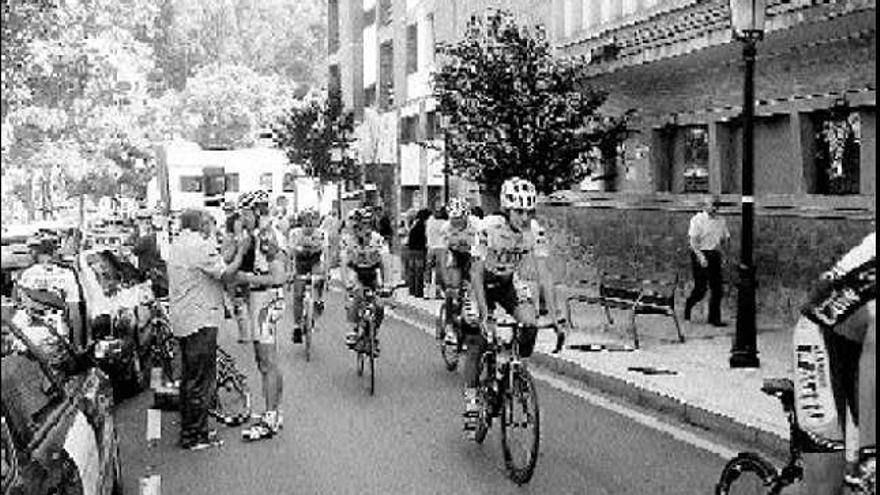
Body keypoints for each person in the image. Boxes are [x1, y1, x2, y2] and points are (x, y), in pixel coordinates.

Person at [462, 178, 560, 437]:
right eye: (519, 211)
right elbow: (474, 273)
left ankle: (512, 370)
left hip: (507, 283)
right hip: (481, 284)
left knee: (529, 323)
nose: (525, 217)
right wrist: (485, 315)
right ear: (507, 209)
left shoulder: (534, 231)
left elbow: (545, 274)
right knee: (478, 340)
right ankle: (472, 399)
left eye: (530, 212)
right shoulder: (488, 228)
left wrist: (556, 315)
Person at [795, 232, 875, 494]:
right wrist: (869, 451)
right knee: (826, 484)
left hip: (858, 341)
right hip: (819, 339)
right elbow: (872, 363)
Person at [168, 209, 244, 450]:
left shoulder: (180, 243)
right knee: (201, 380)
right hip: (200, 319)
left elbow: (216, 261)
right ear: (201, 225)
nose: (213, 227)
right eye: (210, 223)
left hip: (185, 319)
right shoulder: (199, 247)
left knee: (190, 379)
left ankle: (191, 429)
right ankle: (195, 435)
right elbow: (225, 273)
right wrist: (242, 250)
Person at [235, 191, 287, 440]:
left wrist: (247, 278)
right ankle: (273, 411)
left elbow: (278, 277)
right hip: (261, 299)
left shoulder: (267, 237)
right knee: (265, 361)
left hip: (265, 300)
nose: (242, 219)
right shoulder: (259, 235)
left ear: (256, 212)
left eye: (244, 214)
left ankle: (270, 416)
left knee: (267, 362)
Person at [16, 235, 85, 351]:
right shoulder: (66, 274)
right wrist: (77, 345)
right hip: (58, 333)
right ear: (53, 254)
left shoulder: (27, 275)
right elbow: (74, 313)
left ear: (37, 255)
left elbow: (22, 305)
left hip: (32, 336)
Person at [340, 207, 391, 353]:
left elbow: (385, 262)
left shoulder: (378, 240)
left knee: (379, 305)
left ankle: (373, 335)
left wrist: (387, 284)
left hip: (372, 272)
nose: (364, 230)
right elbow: (344, 263)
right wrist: (346, 283)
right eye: (361, 226)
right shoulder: (348, 240)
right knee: (357, 294)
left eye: (368, 225)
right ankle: (354, 329)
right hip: (355, 271)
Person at [684, 195, 730, 327]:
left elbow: (725, 239)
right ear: (705, 206)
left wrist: (724, 256)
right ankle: (689, 305)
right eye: (712, 205)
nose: (715, 208)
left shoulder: (721, 221)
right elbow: (693, 241)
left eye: (717, 205)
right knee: (701, 289)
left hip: (714, 254)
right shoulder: (697, 220)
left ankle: (714, 318)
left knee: (717, 289)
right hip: (700, 253)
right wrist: (700, 257)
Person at [288, 208, 328, 344]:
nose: (309, 227)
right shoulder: (294, 233)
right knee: (298, 294)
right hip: (300, 263)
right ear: (301, 224)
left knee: (319, 281)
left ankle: (317, 303)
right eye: (306, 224)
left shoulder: (321, 233)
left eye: (312, 224)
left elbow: (324, 253)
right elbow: (291, 252)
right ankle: (297, 326)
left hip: (315, 263)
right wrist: (290, 272)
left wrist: (326, 274)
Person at [440, 198, 475, 347]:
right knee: (452, 290)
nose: (456, 223)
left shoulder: (476, 226)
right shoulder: (445, 228)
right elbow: (442, 255)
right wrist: (444, 276)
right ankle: (449, 325)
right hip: (454, 258)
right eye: (453, 220)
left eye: (459, 220)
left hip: (472, 257)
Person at [425, 207, 449, 299]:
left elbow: (427, 233)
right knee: (439, 271)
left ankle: (426, 291)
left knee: (428, 270)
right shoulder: (446, 223)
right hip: (441, 248)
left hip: (430, 247)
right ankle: (438, 292)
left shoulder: (430, 221)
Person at [405, 209, 430, 298]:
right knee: (419, 271)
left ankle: (412, 290)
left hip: (411, 250)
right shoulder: (422, 226)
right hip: (419, 250)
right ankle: (418, 292)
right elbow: (425, 238)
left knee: (412, 270)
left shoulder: (414, 224)